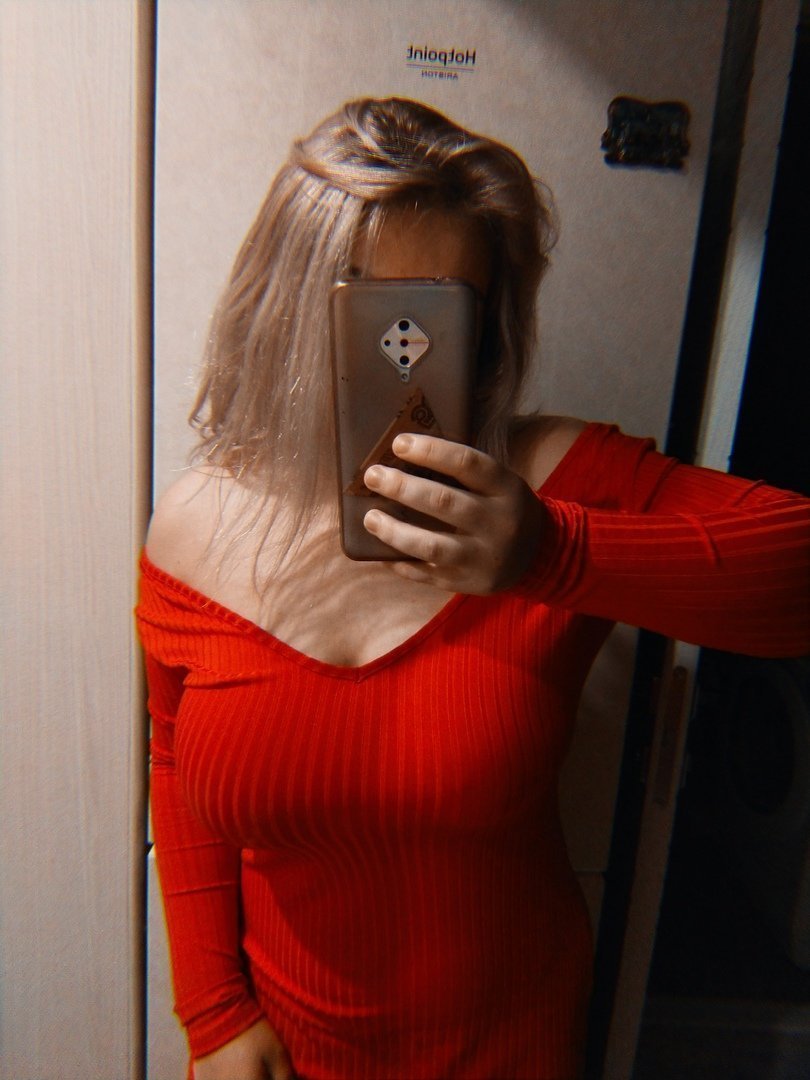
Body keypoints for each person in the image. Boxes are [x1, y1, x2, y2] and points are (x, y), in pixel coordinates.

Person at [136, 97, 810, 1080]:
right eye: (370, 305)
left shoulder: (549, 485)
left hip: (512, 1050)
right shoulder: (194, 528)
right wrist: (213, 1011)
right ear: (286, 303)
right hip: (286, 1048)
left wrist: (553, 553)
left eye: (444, 309)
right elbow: (176, 765)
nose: (403, 348)